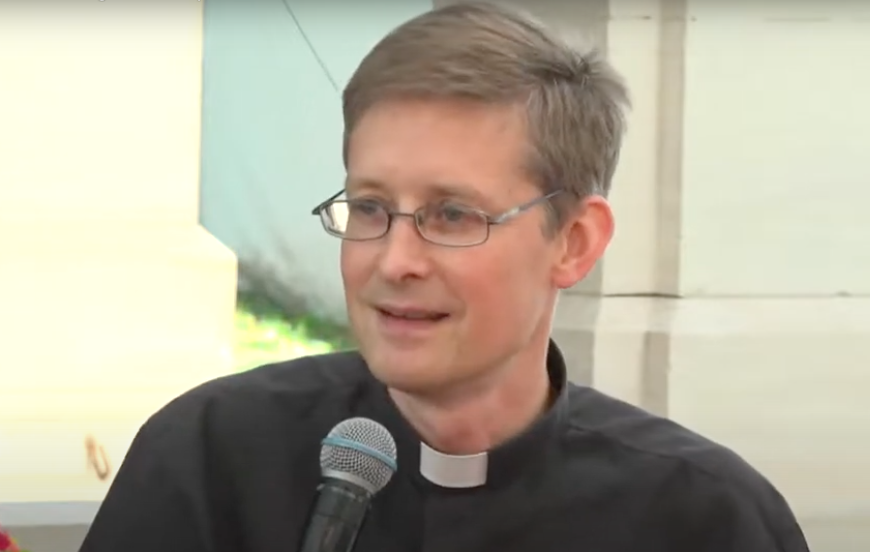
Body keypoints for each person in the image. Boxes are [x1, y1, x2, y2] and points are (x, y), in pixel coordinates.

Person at [79, 3, 810, 551]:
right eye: (371, 207)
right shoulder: (210, 457)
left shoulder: (703, 515)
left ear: (574, 242)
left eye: (453, 215)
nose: (395, 260)